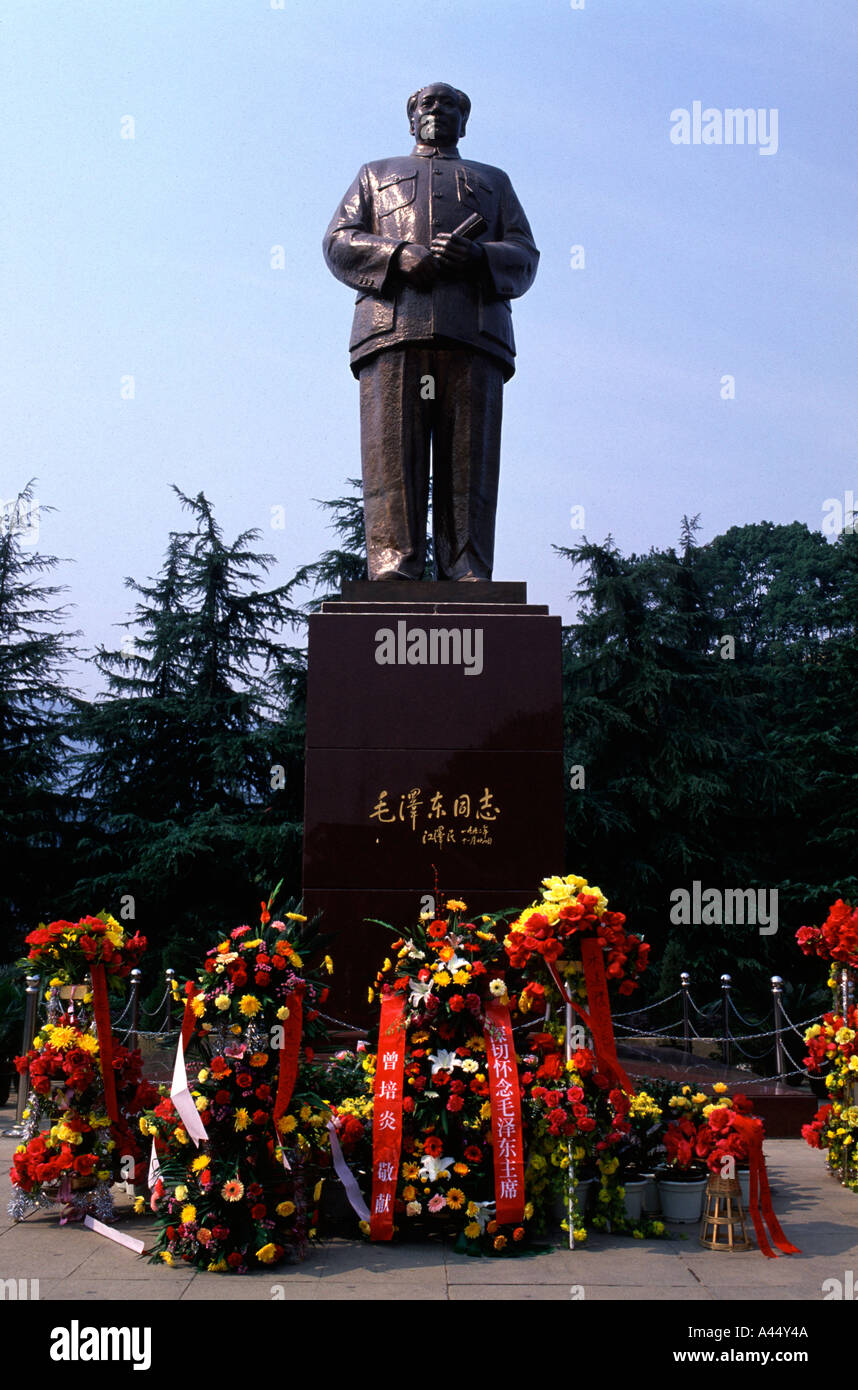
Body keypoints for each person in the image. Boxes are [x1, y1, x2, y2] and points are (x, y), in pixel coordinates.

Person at [322, 82, 539, 580]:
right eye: (427, 104)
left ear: (465, 121)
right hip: (393, 328)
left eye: (450, 106)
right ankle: (393, 564)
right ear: (411, 118)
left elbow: (526, 256)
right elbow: (338, 242)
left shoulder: (494, 181)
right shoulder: (375, 176)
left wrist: (480, 255)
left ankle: (467, 566)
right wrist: (398, 255)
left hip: (473, 333)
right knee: (391, 456)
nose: (437, 111)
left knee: (471, 462)